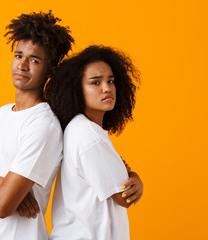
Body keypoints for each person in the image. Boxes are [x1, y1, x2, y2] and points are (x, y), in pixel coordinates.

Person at [0, 11, 74, 240]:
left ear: (50, 70)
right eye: (18, 55)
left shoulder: (44, 124)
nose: (22, 65)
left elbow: (3, 206)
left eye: (34, 60)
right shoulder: (1, 114)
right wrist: (2, 182)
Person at [46, 45, 142, 240]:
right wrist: (134, 177)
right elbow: (124, 196)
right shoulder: (88, 135)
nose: (107, 88)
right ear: (77, 89)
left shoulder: (81, 129)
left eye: (111, 81)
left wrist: (130, 175)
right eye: (95, 82)